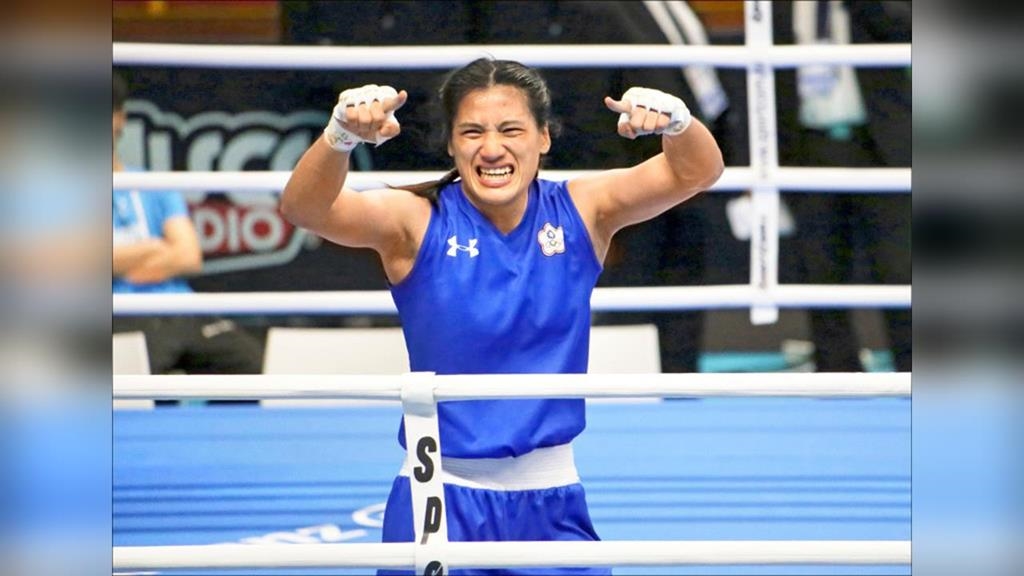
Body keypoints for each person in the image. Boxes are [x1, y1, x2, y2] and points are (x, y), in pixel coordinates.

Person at [280, 58, 723, 575]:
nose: (492, 149)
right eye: (472, 132)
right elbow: (305, 209)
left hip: (552, 498)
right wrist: (339, 136)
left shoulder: (584, 210)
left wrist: (678, 123)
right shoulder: (416, 220)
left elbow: (697, 170)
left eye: (511, 130)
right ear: (451, 144)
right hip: (437, 497)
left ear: (543, 138)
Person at [112, 72, 265, 377]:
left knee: (250, 364)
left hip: (181, 308)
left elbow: (188, 256)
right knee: (134, 380)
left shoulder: (154, 183)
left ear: (120, 118)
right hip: (118, 315)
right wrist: (154, 247)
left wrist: (119, 262)